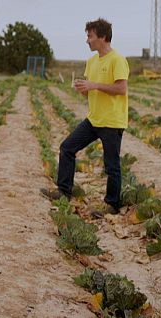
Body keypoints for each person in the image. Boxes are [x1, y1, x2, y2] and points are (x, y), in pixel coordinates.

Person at [41, 18, 130, 217]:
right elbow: (90, 92)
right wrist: (83, 89)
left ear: (103, 37)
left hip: (112, 121)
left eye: (90, 36)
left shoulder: (117, 59)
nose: (87, 40)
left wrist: (94, 85)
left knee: (111, 165)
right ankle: (64, 191)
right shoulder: (91, 62)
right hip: (93, 119)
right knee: (67, 148)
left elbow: (121, 89)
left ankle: (112, 204)